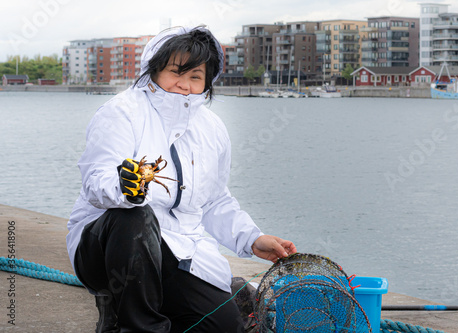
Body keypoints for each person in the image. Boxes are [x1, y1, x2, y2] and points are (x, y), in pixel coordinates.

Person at [66, 26, 297, 333]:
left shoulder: (212, 129)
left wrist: (252, 239)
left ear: (207, 81)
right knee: (135, 215)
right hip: (106, 248)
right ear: (155, 70)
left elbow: (214, 201)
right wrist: (124, 187)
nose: (184, 85)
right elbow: (95, 182)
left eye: (195, 77)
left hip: (177, 250)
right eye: (176, 72)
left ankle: (163, 308)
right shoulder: (122, 112)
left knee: (224, 328)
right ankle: (130, 324)